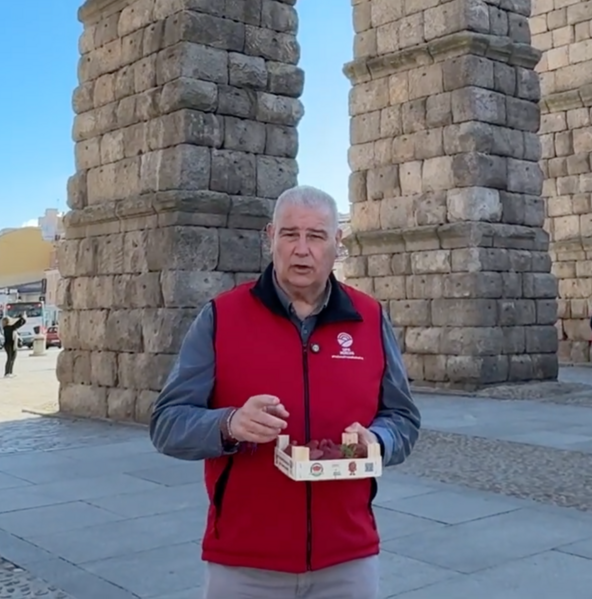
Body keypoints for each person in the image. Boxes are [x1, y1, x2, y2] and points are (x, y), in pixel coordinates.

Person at [149, 185, 421, 599]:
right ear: (270, 237)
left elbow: (403, 419)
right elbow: (167, 424)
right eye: (290, 234)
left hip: (347, 557)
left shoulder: (370, 317)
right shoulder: (221, 316)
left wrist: (378, 442)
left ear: (337, 243)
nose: (302, 250)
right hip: (244, 561)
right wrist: (228, 423)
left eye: (316, 236)